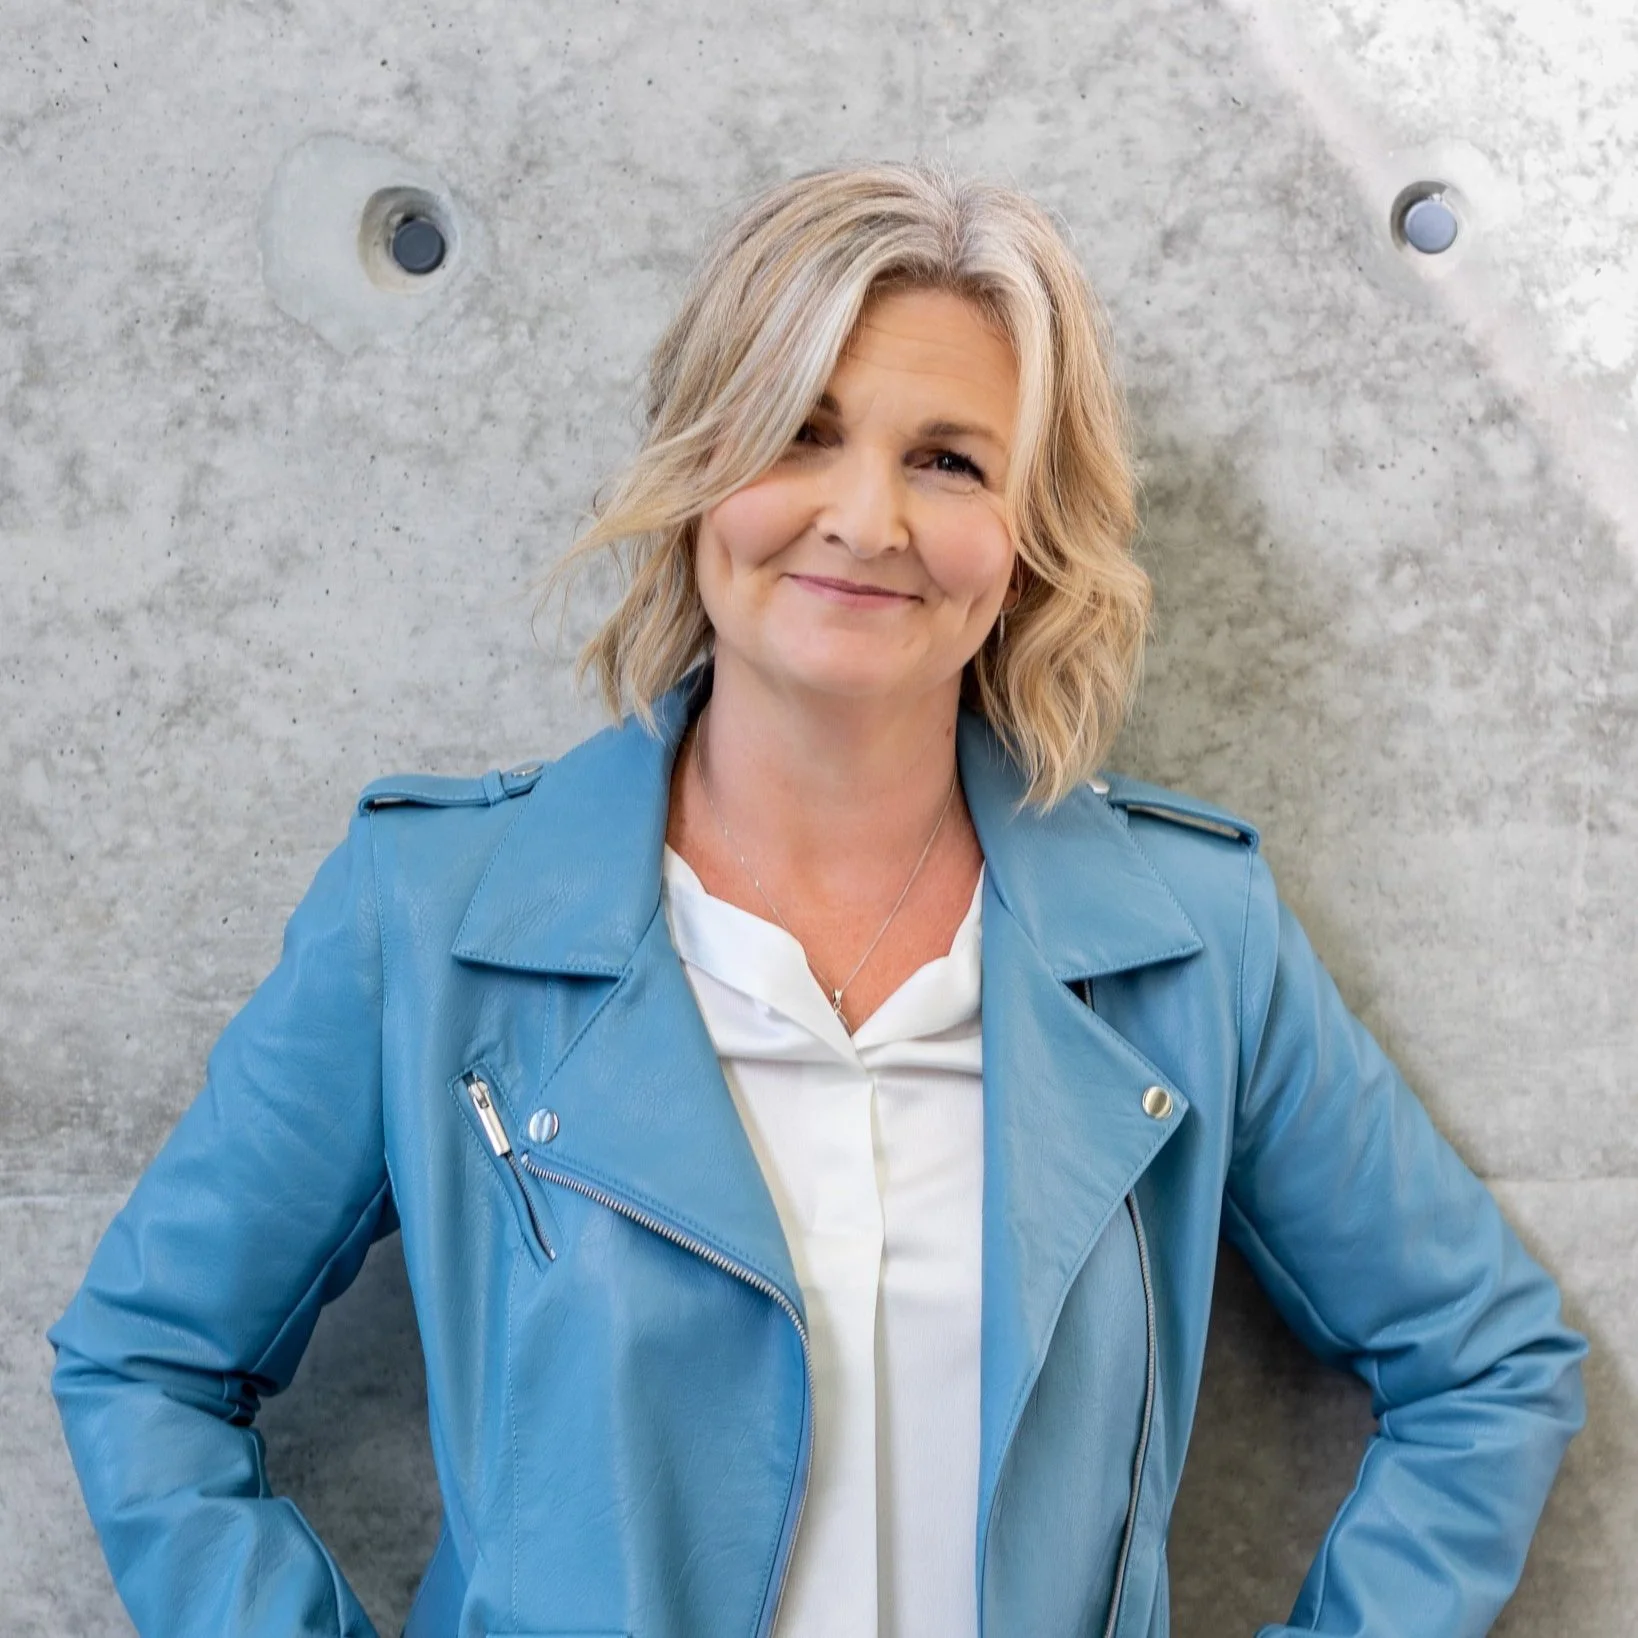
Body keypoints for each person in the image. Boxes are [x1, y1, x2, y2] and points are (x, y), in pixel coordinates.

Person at [47, 159, 1586, 1638]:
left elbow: (1490, 1365)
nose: (864, 519)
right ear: (699, 472)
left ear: (1024, 536)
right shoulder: (435, 915)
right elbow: (143, 1363)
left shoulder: (1190, 944)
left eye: (948, 459)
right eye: (799, 432)